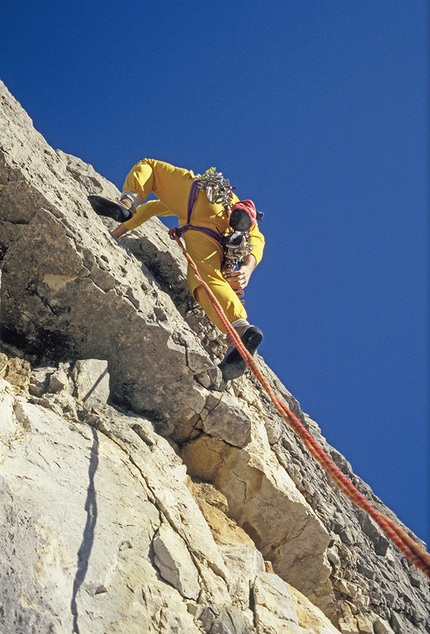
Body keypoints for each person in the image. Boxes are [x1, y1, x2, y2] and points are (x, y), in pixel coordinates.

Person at [98, 158, 265, 380]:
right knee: (207, 278)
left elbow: (149, 209)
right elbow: (257, 239)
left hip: (203, 197)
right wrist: (247, 268)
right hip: (220, 234)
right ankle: (240, 330)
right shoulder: (236, 210)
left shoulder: (210, 196)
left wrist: (118, 229)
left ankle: (127, 200)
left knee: (152, 168)